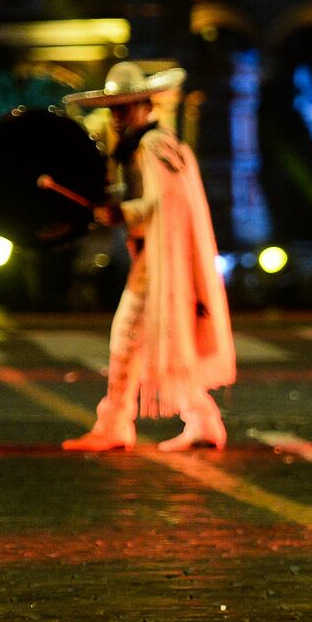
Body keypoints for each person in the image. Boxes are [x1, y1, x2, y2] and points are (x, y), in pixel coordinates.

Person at [60, 62, 236, 453]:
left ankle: (116, 422)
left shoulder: (152, 145)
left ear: (142, 105)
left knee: (129, 336)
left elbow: (163, 204)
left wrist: (123, 212)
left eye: (123, 108)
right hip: (158, 255)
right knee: (160, 336)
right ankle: (200, 417)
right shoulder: (153, 143)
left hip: (159, 259)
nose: (117, 117)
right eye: (113, 109)